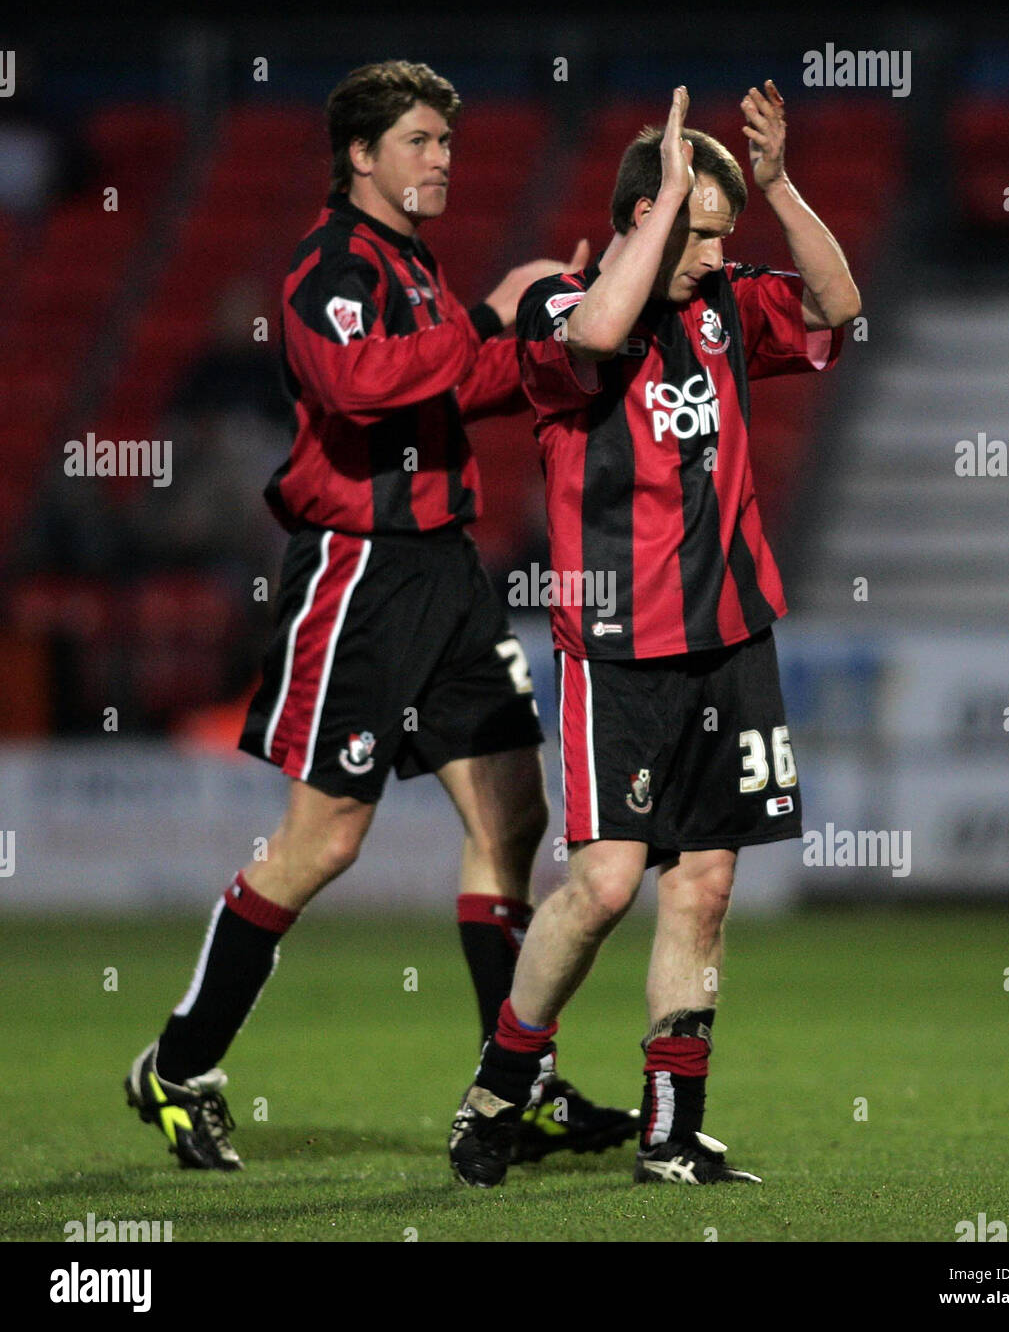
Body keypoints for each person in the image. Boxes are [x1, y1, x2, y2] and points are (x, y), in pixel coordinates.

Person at [125, 60, 638, 1171]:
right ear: (359, 155)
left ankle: (514, 1090)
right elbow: (359, 384)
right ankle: (178, 1061)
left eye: (447, 142)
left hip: (444, 571)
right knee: (325, 839)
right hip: (357, 574)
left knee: (510, 817)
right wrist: (495, 312)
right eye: (418, 140)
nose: (441, 159)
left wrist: (552, 332)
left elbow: (463, 383)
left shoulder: (413, 270)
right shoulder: (327, 268)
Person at [448, 82, 861, 1186]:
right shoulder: (558, 310)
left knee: (706, 887)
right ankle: (498, 1088)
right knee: (602, 886)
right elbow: (591, 331)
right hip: (619, 646)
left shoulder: (724, 306)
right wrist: (663, 203)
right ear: (646, 218)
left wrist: (772, 185)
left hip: (730, 636)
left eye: (725, 238)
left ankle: (670, 1132)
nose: (716, 258)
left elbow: (835, 304)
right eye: (699, 234)